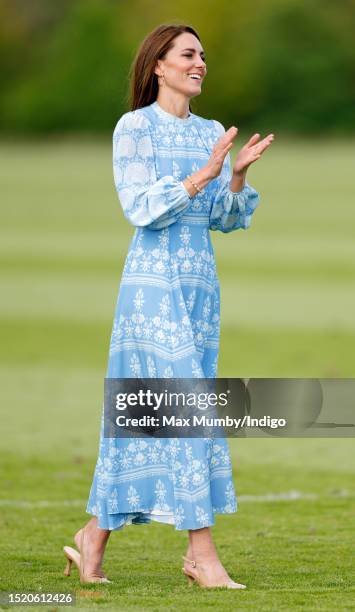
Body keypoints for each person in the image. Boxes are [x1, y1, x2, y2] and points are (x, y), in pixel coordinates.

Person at [63, 23, 273, 589]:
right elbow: (139, 207)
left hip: (199, 287)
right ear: (159, 64)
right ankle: (200, 556)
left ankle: (92, 539)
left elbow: (223, 221)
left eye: (203, 55)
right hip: (151, 289)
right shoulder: (135, 128)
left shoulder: (208, 129)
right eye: (188, 54)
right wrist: (200, 173)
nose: (199, 63)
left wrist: (233, 178)